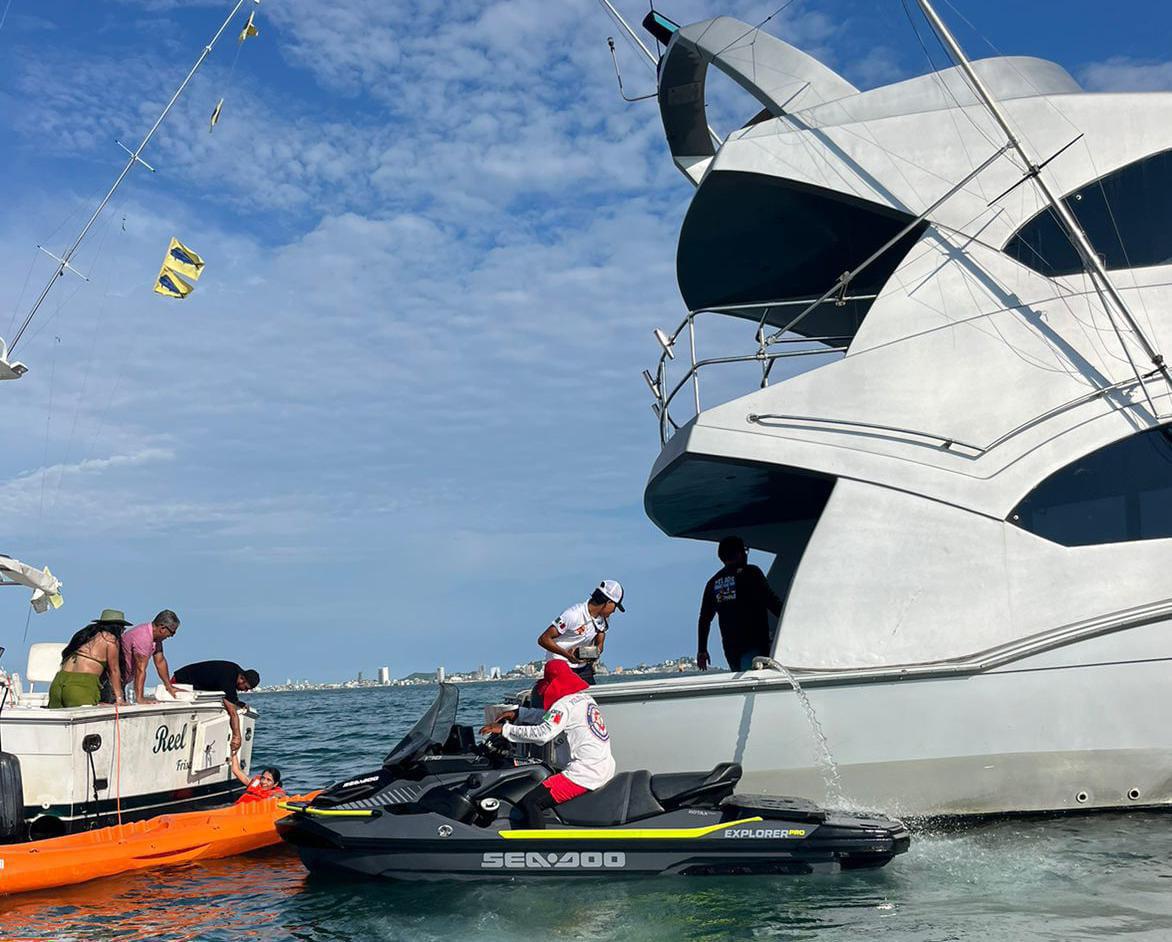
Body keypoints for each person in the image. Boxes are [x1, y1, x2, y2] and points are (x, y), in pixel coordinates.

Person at [481, 660, 614, 828]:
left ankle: (536, 849)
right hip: (603, 766)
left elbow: (543, 733)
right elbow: (550, 717)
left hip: (584, 773)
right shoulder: (584, 699)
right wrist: (519, 713)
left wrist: (505, 730)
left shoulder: (563, 705)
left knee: (531, 802)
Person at [697, 536, 782, 672]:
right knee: (756, 679)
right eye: (744, 551)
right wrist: (790, 621)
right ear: (739, 553)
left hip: (731, 649)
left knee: (742, 675)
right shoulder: (751, 573)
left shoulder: (713, 582)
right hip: (754, 643)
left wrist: (702, 650)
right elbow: (771, 601)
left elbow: (704, 619)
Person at [537, 579, 624, 684]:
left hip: (582, 667)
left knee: (592, 696)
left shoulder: (603, 620)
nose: (614, 611)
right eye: (615, 606)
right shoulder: (573, 615)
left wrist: (586, 654)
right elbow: (543, 639)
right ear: (609, 602)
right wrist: (568, 656)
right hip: (560, 664)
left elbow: (599, 647)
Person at [172, 660, 260, 755]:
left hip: (193, 684)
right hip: (179, 682)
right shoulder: (228, 678)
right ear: (242, 679)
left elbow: (228, 695)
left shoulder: (235, 672)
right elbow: (232, 713)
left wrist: (236, 702)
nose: (245, 691)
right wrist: (237, 736)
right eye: (246, 688)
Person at [48, 609, 129, 708]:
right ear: (118, 628)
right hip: (80, 686)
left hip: (58, 683)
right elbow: (114, 671)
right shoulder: (110, 641)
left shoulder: (86, 635)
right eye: (123, 629)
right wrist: (119, 698)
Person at [120, 610, 181, 704]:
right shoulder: (143, 638)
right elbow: (140, 669)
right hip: (112, 680)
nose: (172, 636)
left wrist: (169, 686)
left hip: (123, 681)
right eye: (172, 632)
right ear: (162, 628)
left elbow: (160, 662)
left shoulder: (156, 639)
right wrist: (140, 699)